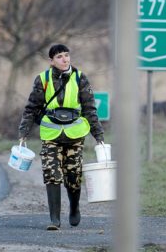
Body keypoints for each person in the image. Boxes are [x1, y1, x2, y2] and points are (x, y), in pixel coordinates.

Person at [18, 43, 105, 230]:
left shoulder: (80, 78)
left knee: (73, 175)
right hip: (51, 134)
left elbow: (90, 108)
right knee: (51, 173)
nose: (64, 59)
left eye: (66, 55)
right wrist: (23, 133)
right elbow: (31, 108)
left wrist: (98, 135)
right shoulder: (42, 79)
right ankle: (54, 220)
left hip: (75, 134)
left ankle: (74, 208)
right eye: (59, 57)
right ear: (51, 61)